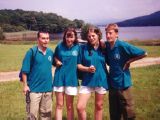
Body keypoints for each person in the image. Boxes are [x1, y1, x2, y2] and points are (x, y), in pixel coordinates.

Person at [104, 23, 147, 120]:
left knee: (128, 112)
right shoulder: (107, 46)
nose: (108, 36)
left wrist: (129, 61)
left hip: (124, 84)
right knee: (114, 113)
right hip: (112, 84)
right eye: (106, 33)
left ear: (116, 34)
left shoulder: (123, 45)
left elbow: (144, 53)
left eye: (110, 33)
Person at [76, 26, 109, 120]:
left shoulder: (104, 47)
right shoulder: (83, 48)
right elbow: (78, 65)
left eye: (93, 35)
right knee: (80, 107)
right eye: (89, 36)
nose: (91, 38)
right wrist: (87, 69)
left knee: (99, 106)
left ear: (98, 35)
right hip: (87, 81)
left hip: (101, 80)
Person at [21, 31, 54, 119]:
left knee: (46, 115)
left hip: (48, 90)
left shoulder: (50, 52)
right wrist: (25, 86)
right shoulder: (31, 52)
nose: (46, 41)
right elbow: (24, 71)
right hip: (34, 90)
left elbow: (57, 63)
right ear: (38, 39)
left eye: (47, 38)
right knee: (32, 116)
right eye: (43, 38)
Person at [53, 28, 80, 120]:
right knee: (59, 105)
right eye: (67, 36)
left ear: (75, 37)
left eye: (71, 37)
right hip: (59, 78)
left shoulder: (78, 47)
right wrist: (56, 61)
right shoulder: (59, 46)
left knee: (69, 106)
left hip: (71, 80)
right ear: (64, 36)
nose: (69, 39)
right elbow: (54, 57)